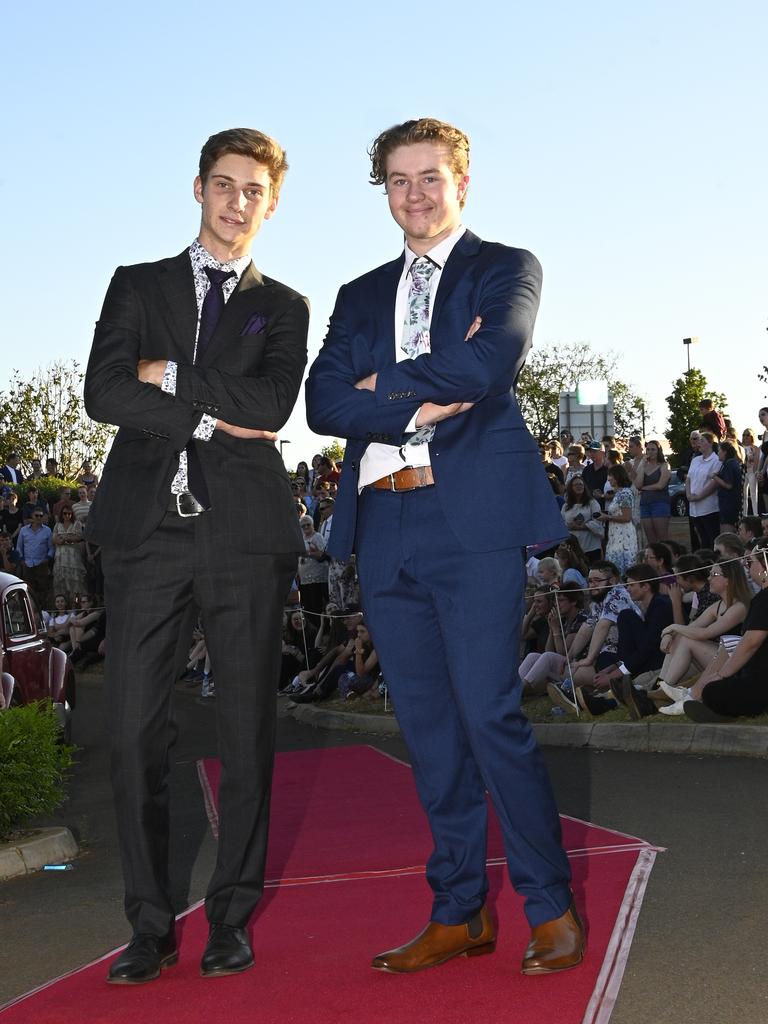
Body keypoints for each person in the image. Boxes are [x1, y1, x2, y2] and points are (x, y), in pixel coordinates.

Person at [305, 117, 582, 975]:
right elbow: (320, 405)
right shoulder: (357, 295)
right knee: (427, 733)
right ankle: (460, 911)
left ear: (462, 182)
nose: (415, 193)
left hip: (473, 526)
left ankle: (550, 908)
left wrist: (376, 387)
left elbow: (487, 366)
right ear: (382, 190)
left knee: (492, 717)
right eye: (397, 179)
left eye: (430, 177)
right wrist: (417, 402)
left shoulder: (506, 268)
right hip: (384, 526)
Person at [83, 127, 309, 985]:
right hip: (145, 534)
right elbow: (104, 392)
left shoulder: (281, 305)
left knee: (248, 731)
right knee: (135, 729)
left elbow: (274, 400)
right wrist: (212, 418)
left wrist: (170, 378)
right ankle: (147, 925)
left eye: (253, 190)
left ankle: (231, 918)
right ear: (197, 188)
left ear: (271, 202)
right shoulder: (136, 284)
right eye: (224, 184)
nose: (236, 202)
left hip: (244, 534)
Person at [656, 558, 752, 714]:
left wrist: (672, 627)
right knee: (681, 637)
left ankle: (663, 689)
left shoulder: (739, 607)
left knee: (686, 638)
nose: (709, 578)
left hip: (735, 664)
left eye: (714, 574)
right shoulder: (718, 605)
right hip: (718, 660)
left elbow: (706, 633)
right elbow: (691, 628)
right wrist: (670, 634)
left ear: (728, 580)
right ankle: (662, 686)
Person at [599, 464, 638, 576]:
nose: (609, 478)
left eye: (611, 475)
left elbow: (626, 517)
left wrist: (607, 517)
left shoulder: (625, 493)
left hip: (623, 535)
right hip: (615, 534)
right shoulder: (619, 493)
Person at [686, 431, 721, 549]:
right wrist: (689, 495)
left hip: (708, 508)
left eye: (702, 441)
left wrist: (699, 496)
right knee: (701, 540)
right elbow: (688, 479)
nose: (698, 443)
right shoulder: (695, 460)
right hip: (694, 508)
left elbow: (713, 483)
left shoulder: (716, 460)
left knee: (711, 540)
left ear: (710, 443)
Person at [16, 509, 53, 610]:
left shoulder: (47, 530)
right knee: (28, 589)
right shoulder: (23, 530)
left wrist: (47, 559)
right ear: (32, 517)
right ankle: (30, 610)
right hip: (27, 564)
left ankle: (43, 611)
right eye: (36, 516)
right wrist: (22, 560)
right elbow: (19, 547)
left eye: (41, 516)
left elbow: (51, 547)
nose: (39, 518)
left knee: (43, 589)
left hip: (42, 564)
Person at [634, 439, 671, 542]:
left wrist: (644, 488)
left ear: (659, 451)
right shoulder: (644, 465)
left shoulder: (664, 465)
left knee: (662, 537)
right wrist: (642, 466)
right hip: (645, 504)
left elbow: (660, 485)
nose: (650, 452)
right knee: (651, 539)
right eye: (648, 449)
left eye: (653, 449)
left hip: (660, 503)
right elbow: (637, 485)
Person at [560, 476, 603, 563]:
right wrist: (569, 526)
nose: (579, 486)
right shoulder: (566, 506)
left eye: (581, 484)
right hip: (573, 547)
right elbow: (561, 523)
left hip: (591, 545)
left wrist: (583, 526)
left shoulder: (592, 503)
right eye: (576, 485)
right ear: (571, 488)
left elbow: (598, 522)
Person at [51, 506, 87, 605]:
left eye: (69, 513)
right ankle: (63, 605)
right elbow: (53, 538)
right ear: (61, 514)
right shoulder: (58, 525)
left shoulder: (77, 523)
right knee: (61, 581)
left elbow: (79, 537)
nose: (67, 515)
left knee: (76, 582)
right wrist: (62, 539)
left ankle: (76, 606)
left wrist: (65, 538)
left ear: (72, 514)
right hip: (60, 557)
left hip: (73, 557)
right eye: (65, 513)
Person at [297, 514, 329, 615]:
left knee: (317, 607)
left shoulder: (318, 536)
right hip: (304, 579)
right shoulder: (301, 539)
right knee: (308, 608)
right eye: (303, 525)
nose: (306, 527)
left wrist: (309, 554)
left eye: (308, 524)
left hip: (317, 578)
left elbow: (323, 555)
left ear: (313, 525)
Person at [711, 441, 743, 532]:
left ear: (725, 452)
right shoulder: (731, 463)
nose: (718, 453)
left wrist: (714, 477)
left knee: (727, 533)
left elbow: (729, 485)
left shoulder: (729, 464)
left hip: (729, 504)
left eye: (719, 451)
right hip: (729, 503)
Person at [742, 429, 760, 515]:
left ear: (752, 436)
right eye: (744, 435)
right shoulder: (740, 448)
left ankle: (756, 514)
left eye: (747, 435)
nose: (745, 437)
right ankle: (744, 515)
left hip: (752, 471)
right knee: (744, 494)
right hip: (744, 471)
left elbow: (758, 460)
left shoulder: (755, 448)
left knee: (753, 493)